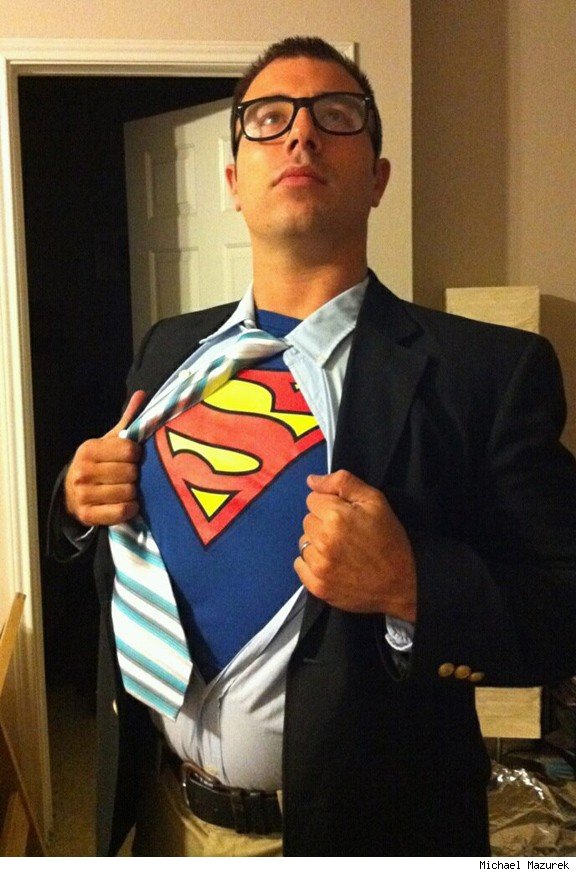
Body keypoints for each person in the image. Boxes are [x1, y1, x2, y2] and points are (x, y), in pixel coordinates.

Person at [49, 36, 576, 857]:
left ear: (378, 177)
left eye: (335, 115)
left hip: (360, 833)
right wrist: (76, 500)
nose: (300, 134)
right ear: (233, 181)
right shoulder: (168, 349)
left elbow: (563, 604)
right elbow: (124, 535)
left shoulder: (489, 372)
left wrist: (413, 585)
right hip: (162, 816)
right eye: (268, 118)